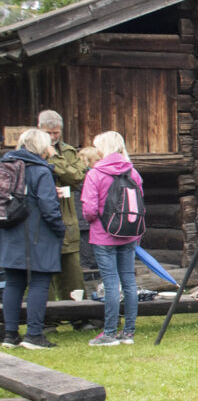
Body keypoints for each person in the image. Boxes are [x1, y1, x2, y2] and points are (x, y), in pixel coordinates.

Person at [1, 129, 66, 349]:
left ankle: (10, 335)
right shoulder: (40, 170)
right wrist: (60, 228)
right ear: (41, 146)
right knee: (40, 281)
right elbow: (48, 206)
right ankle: (34, 335)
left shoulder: (6, 165)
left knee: (13, 282)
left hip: (9, 230)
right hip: (38, 234)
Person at [82, 131, 144, 347]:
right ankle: (128, 333)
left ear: (103, 148)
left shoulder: (95, 174)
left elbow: (89, 210)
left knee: (110, 284)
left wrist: (94, 220)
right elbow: (140, 205)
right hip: (129, 233)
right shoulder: (133, 172)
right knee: (129, 282)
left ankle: (109, 333)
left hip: (103, 235)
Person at [37, 111, 88, 319]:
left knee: (72, 271)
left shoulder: (67, 152)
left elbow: (77, 177)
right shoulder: (29, 150)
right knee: (42, 274)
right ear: (39, 129)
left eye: (56, 133)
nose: (52, 137)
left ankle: (80, 316)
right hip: (39, 221)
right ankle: (47, 320)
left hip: (65, 219)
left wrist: (54, 158)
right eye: (48, 133)